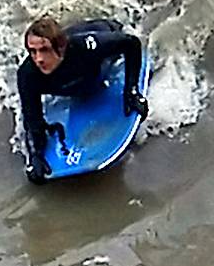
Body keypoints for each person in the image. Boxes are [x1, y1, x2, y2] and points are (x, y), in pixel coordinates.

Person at [17, 15, 148, 182]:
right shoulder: (28, 74)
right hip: (79, 83)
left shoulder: (86, 48)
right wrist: (36, 155)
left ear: (60, 48)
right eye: (32, 51)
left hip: (104, 33)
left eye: (44, 50)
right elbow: (32, 118)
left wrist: (132, 91)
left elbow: (131, 43)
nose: (39, 59)